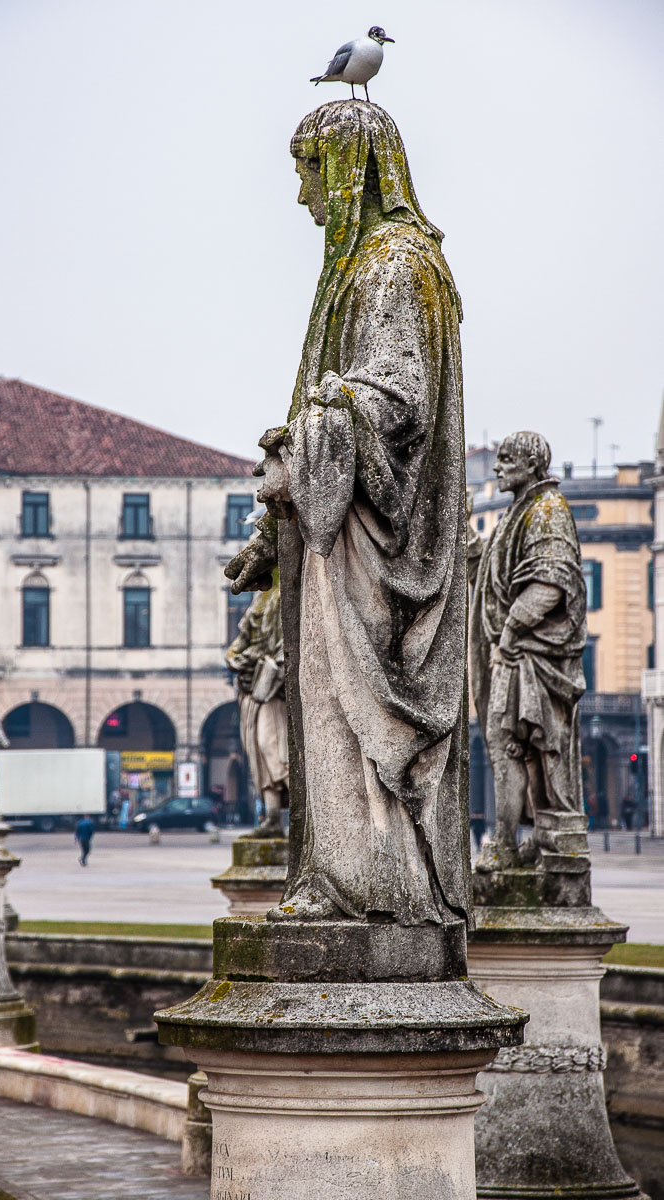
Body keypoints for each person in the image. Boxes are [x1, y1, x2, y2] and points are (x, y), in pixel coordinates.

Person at [226, 100, 469, 924]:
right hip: (341, 534)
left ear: (345, 171)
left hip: (374, 541)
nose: (301, 197)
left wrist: (306, 440)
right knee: (320, 710)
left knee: (344, 711)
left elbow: (395, 402)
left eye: (306, 174)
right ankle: (340, 875)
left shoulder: (393, 264)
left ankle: (372, 884)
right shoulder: (362, 269)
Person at [470, 432, 587, 868]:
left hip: (529, 655)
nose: (498, 467)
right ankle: (531, 839)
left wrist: (510, 634)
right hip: (518, 652)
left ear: (532, 465)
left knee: (511, 744)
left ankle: (505, 843)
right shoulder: (519, 511)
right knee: (521, 747)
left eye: (506, 459)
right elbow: (495, 573)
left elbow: (550, 583)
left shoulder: (547, 510)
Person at [226, 572, 289, 838]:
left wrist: (276, 664)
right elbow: (239, 643)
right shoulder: (260, 599)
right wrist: (233, 658)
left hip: (273, 687)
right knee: (258, 756)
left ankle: (301, 814)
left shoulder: (288, 591)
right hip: (252, 687)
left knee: (272, 746)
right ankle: (272, 817)